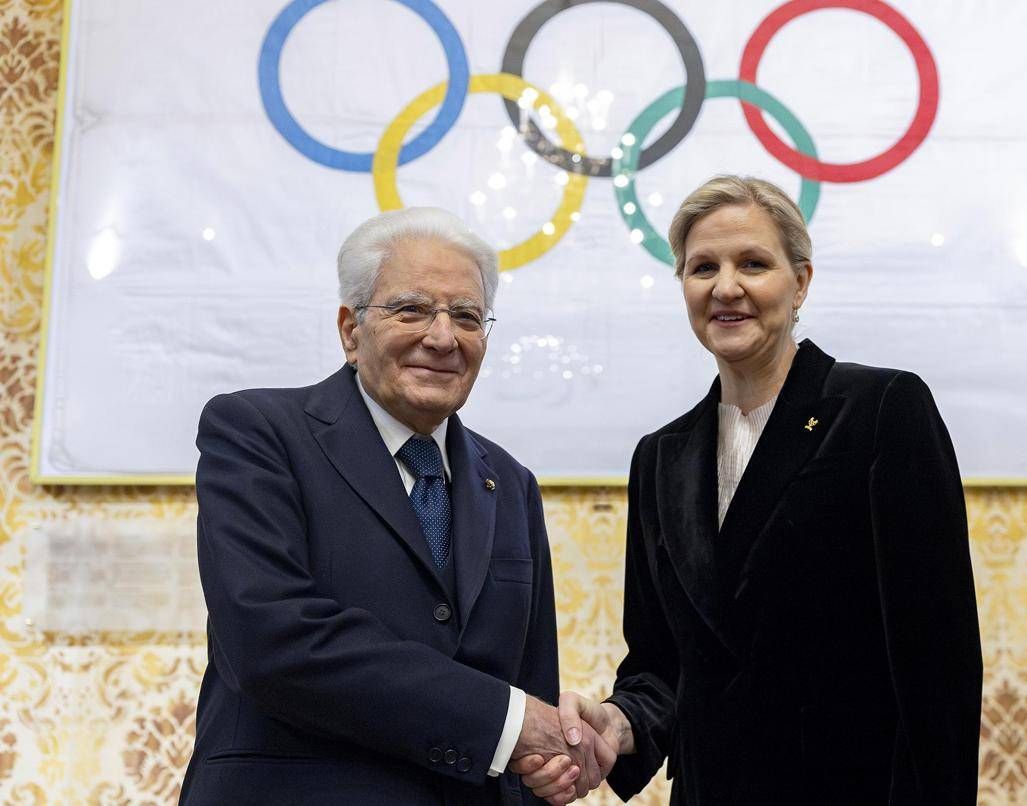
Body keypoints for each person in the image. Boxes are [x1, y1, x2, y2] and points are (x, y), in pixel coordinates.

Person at [516, 176, 983, 804]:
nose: (726, 287)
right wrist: (617, 724)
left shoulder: (882, 410)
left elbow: (939, 665)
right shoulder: (660, 457)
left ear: (801, 283)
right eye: (703, 267)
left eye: (754, 264)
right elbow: (663, 666)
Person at [181, 208, 613, 805]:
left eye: (467, 317)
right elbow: (271, 639)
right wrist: (506, 722)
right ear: (350, 330)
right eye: (411, 310)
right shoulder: (257, 432)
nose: (442, 338)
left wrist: (548, 763)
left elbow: (531, 695)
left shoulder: (511, 484)